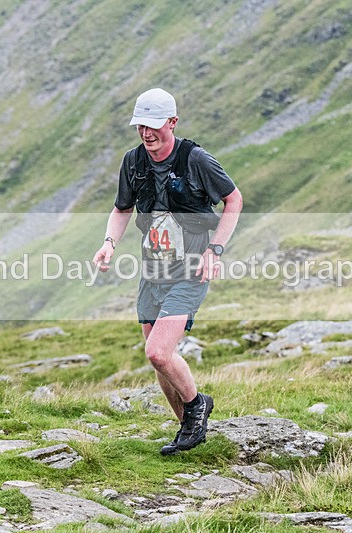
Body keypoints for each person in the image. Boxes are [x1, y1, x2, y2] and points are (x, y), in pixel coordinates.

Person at [92, 88, 243, 455]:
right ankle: (188, 435)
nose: (146, 134)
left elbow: (233, 199)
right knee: (157, 359)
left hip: (190, 268)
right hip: (152, 271)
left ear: (172, 122)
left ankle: (196, 407)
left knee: (159, 352)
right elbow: (121, 209)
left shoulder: (196, 160)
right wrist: (109, 243)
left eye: (154, 126)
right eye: (141, 126)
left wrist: (215, 249)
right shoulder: (133, 162)